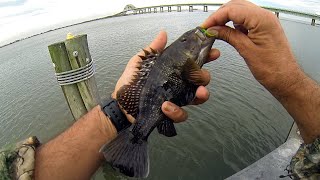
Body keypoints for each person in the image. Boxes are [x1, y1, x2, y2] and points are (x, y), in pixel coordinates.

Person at [0, 0, 319, 179]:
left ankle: (135, 135)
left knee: (187, 97)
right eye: (186, 41)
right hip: (143, 115)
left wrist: (117, 114)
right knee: (183, 99)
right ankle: (136, 138)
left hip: (139, 112)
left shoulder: (189, 60)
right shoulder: (189, 62)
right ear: (184, 53)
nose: (193, 38)